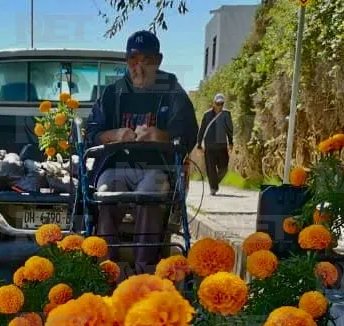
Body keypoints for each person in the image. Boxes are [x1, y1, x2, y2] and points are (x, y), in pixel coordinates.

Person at [84, 29, 198, 274]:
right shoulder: (113, 92)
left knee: (150, 194)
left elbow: (188, 134)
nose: (139, 67)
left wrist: (161, 136)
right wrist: (114, 135)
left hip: (157, 168)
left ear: (158, 60)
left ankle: (145, 269)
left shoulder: (173, 91)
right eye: (133, 60)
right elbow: (91, 132)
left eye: (146, 61)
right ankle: (105, 269)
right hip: (116, 167)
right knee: (105, 193)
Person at [197, 94, 234, 194]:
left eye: (222, 104)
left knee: (224, 168)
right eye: (218, 103)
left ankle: (214, 183)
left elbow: (229, 130)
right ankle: (213, 188)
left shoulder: (227, 114)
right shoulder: (207, 114)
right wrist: (199, 145)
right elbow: (202, 130)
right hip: (209, 146)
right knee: (211, 169)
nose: (220, 106)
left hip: (222, 146)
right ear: (214, 103)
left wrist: (231, 142)